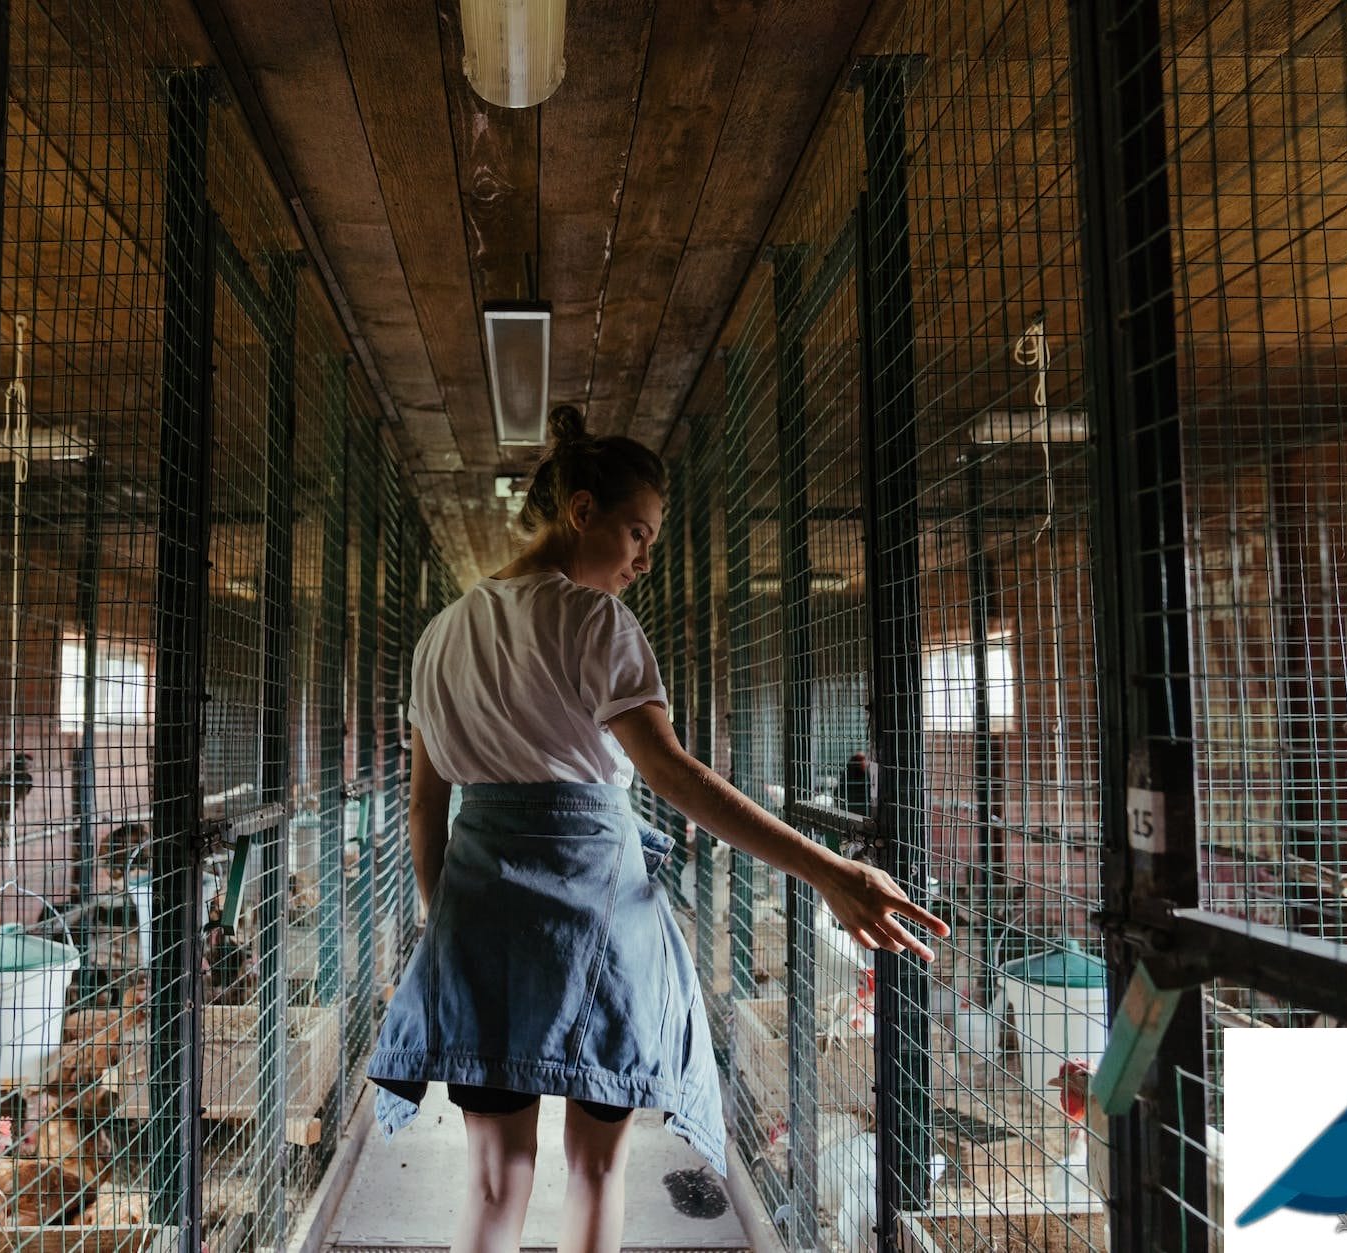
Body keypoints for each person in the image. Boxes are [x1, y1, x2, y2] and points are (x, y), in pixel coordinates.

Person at [366, 405, 948, 1253]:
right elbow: (676, 778)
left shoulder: (441, 635)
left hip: (478, 918)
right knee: (598, 1171)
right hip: (598, 922)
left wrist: (443, 921)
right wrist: (826, 868)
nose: (643, 558)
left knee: (493, 1182)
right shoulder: (599, 624)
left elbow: (426, 805)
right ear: (581, 512)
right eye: (636, 533)